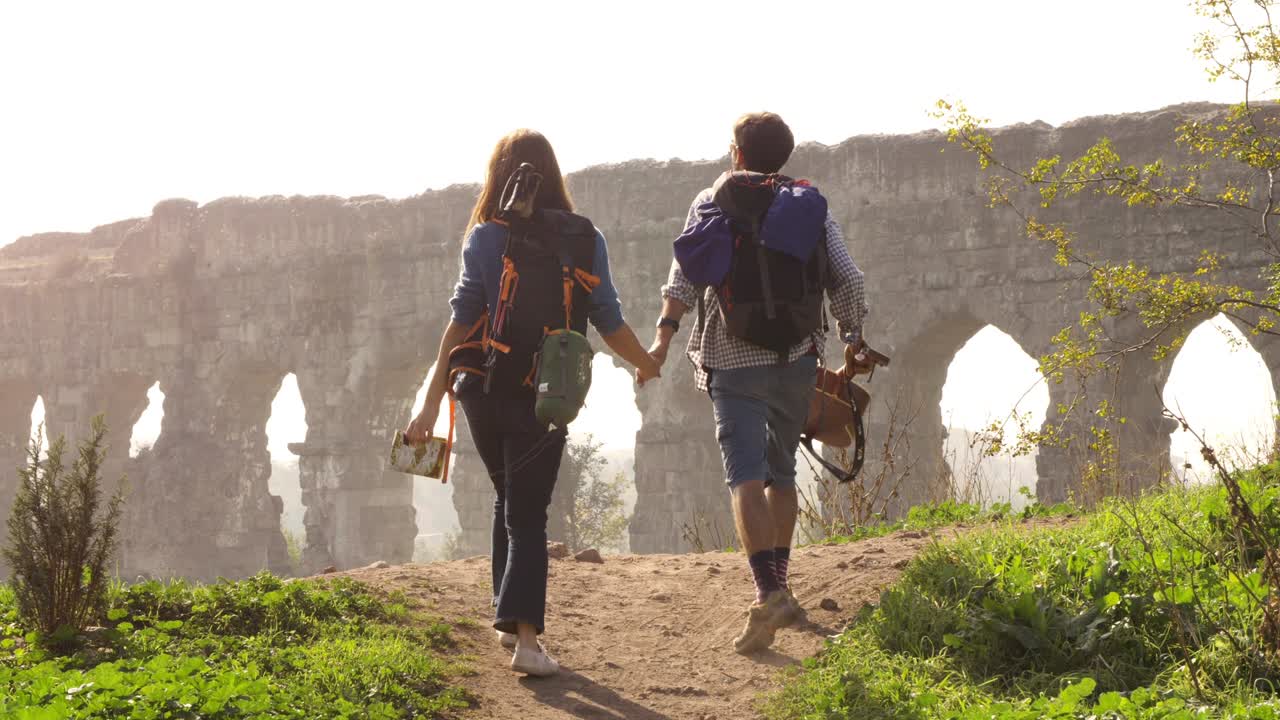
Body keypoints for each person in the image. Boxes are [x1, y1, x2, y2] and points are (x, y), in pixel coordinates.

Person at [406, 129, 661, 677]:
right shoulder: (584, 239)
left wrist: (430, 403)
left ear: (499, 176)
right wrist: (643, 361)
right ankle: (527, 640)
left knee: (508, 496)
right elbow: (608, 320)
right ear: (553, 174)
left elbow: (459, 325)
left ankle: (506, 618)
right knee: (527, 512)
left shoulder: (483, 237)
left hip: (479, 389)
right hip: (543, 393)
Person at [647, 112, 870, 654]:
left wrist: (662, 337)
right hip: (796, 357)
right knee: (781, 472)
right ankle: (781, 584)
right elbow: (847, 276)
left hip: (730, 359)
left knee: (744, 478)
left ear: (738, 153)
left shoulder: (711, 200)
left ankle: (769, 591)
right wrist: (853, 337)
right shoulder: (808, 205)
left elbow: (684, 274)